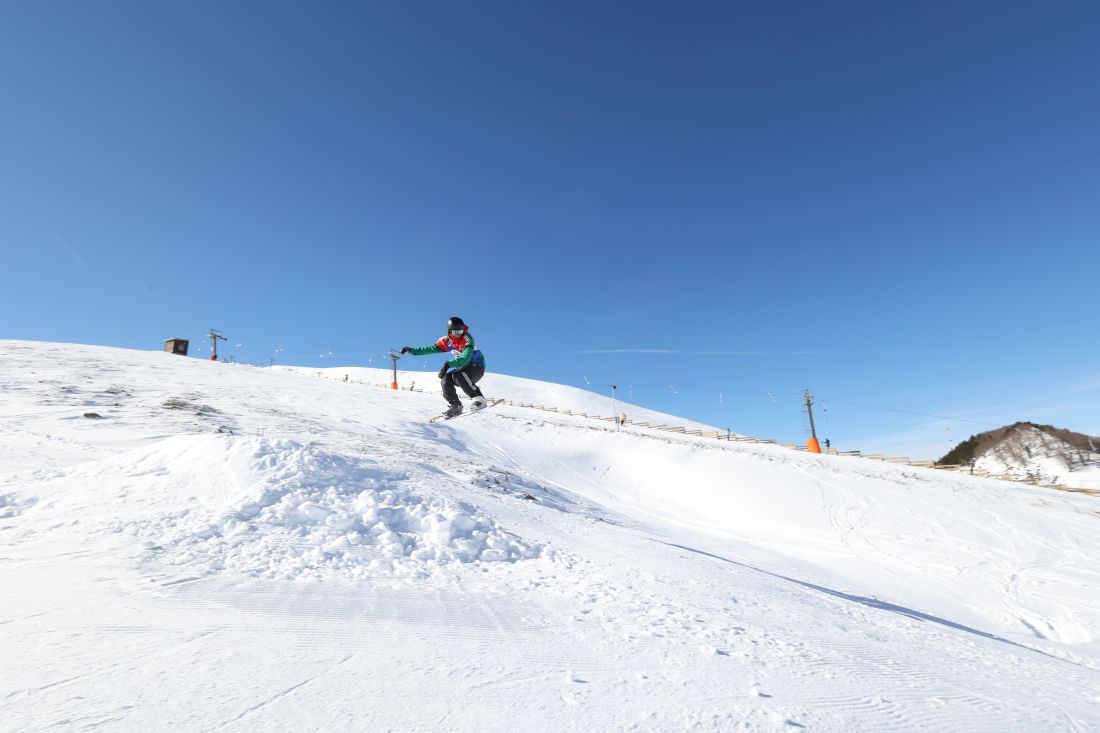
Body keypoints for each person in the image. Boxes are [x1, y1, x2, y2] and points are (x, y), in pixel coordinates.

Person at [401, 316, 487, 418]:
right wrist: (412, 351)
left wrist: (447, 364)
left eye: (460, 331)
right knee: (446, 379)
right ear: (449, 332)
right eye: (455, 333)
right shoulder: (446, 342)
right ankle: (456, 406)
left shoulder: (467, 339)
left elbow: (466, 358)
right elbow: (429, 349)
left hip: (477, 367)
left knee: (457, 374)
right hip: (464, 369)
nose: (458, 335)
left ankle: (480, 400)